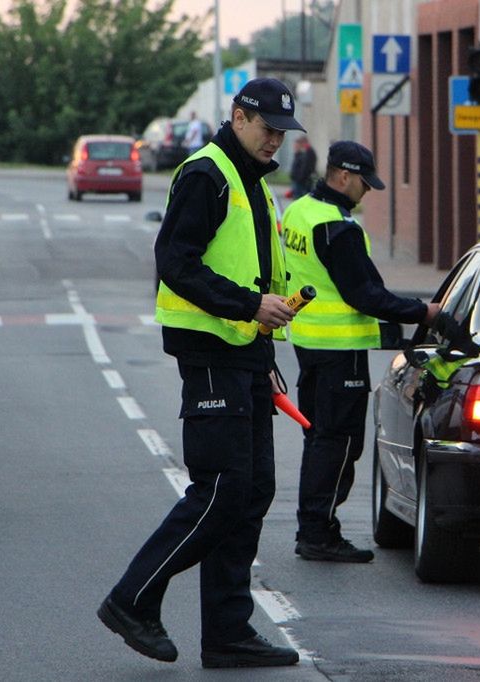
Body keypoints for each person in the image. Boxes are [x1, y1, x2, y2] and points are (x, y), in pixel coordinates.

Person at [97, 78, 304, 668]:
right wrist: (247, 306)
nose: (275, 143)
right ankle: (131, 599)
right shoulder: (207, 174)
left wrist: (263, 360)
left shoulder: (253, 185)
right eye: (267, 130)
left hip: (243, 357)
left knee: (252, 490)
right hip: (211, 355)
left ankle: (228, 633)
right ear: (238, 117)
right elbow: (175, 265)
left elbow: (258, 278)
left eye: (282, 134)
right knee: (221, 490)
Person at [281, 140, 470, 563]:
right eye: (364, 183)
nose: (367, 191)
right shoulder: (338, 227)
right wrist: (426, 312)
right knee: (340, 445)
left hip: (310, 343)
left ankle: (314, 527)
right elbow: (365, 295)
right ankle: (318, 533)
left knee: (321, 439)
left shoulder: (299, 211)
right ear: (343, 176)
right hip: (340, 350)